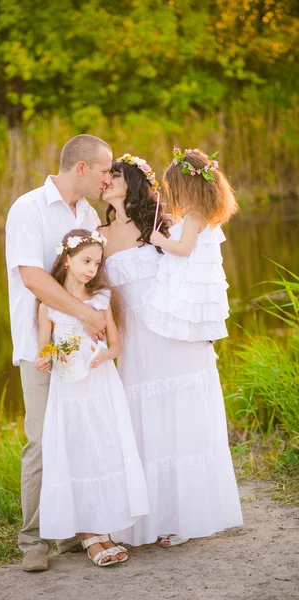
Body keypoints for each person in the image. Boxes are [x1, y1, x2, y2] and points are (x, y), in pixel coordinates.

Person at [101, 153, 243, 547]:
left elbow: (198, 265)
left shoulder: (160, 224)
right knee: (143, 421)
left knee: (183, 418)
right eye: (106, 174)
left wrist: (203, 320)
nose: (107, 180)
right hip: (134, 342)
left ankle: (184, 518)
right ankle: (147, 518)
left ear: (133, 182)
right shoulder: (96, 233)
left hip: (173, 332)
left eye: (115, 174)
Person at [5, 134, 112, 572]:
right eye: (105, 170)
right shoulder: (27, 208)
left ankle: (74, 530)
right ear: (81, 168)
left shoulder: (88, 214)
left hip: (84, 350)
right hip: (41, 345)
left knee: (81, 436)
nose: (109, 178)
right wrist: (86, 314)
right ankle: (33, 540)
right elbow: (33, 278)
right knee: (41, 441)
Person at [36, 229, 149, 567]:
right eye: (85, 261)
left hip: (101, 387)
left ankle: (106, 531)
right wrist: (46, 358)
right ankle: (89, 535)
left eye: (96, 263)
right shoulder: (48, 307)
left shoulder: (100, 299)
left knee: (105, 450)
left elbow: (116, 345)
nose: (91, 268)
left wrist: (104, 356)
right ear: (67, 260)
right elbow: (46, 349)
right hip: (70, 391)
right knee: (79, 452)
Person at [143, 148, 238, 342]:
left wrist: (161, 240)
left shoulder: (193, 217)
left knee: (182, 311)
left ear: (189, 188)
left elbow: (184, 249)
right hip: (203, 280)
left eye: (176, 190)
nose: (175, 195)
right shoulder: (207, 216)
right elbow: (194, 239)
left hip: (191, 278)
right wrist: (177, 224)